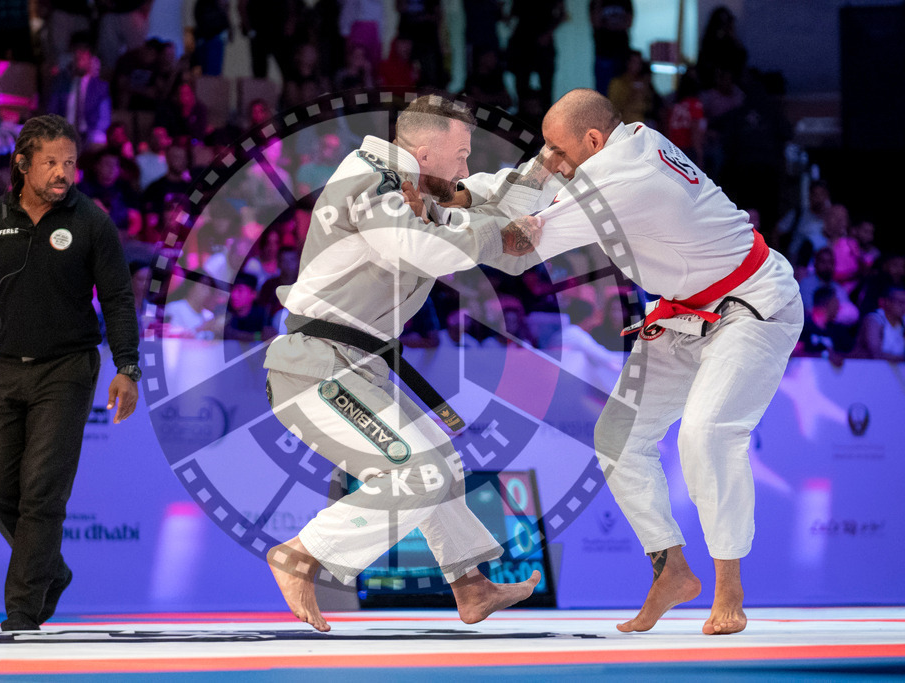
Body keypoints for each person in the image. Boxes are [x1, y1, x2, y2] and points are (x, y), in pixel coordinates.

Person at [473, 89, 802, 635]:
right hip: (683, 314)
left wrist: (434, 228)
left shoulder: (622, 181)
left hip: (752, 305)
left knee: (707, 433)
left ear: (593, 142)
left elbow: (521, 249)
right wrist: (456, 193)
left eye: (557, 149)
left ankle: (729, 588)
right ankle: (671, 567)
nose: (548, 160)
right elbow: (528, 183)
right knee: (619, 439)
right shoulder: (617, 149)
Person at [261, 95, 545, 632]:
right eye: (460, 154)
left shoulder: (407, 190)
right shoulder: (366, 176)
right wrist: (494, 232)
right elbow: (426, 249)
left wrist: (543, 174)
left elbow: (476, 205)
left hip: (353, 363)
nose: (464, 168)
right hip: (315, 366)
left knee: (440, 460)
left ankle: (471, 584)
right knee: (418, 471)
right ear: (423, 149)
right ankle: (301, 554)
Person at [0, 114, 141, 632]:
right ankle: (50, 568)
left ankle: (22, 613)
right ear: (21, 163)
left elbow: (117, 299)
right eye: (51, 163)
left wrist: (126, 366)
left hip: (68, 370)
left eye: (69, 163)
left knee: (42, 493)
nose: (63, 173)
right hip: (4, 370)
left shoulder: (91, 221)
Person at [853, 286, 905, 362]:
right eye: (900, 302)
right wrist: (901, 359)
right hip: (868, 368)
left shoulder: (903, 323)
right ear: (887, 302)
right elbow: (875, 353)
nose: (903, 306)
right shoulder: (874, 320)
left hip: (895, 371)